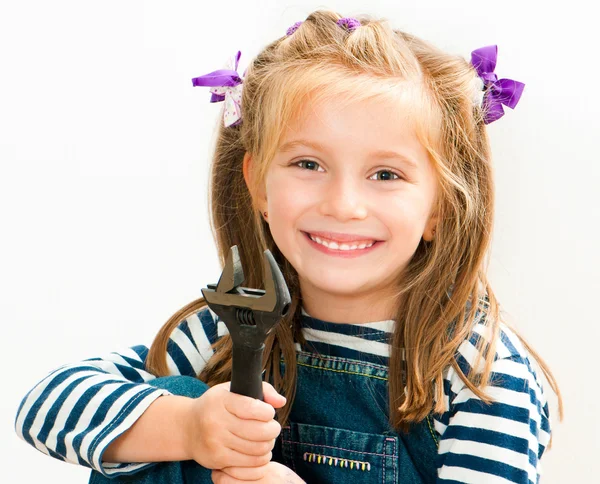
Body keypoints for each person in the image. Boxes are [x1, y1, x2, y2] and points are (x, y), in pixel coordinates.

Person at [14, 9, 564, 484]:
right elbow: (43, 407)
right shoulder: (229, 328)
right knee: (177, 395)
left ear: (441, 208)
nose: (343, 204)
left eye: (386, 174)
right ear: (257, 184)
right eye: (308, 164)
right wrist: (190, 428)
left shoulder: (478, 374)